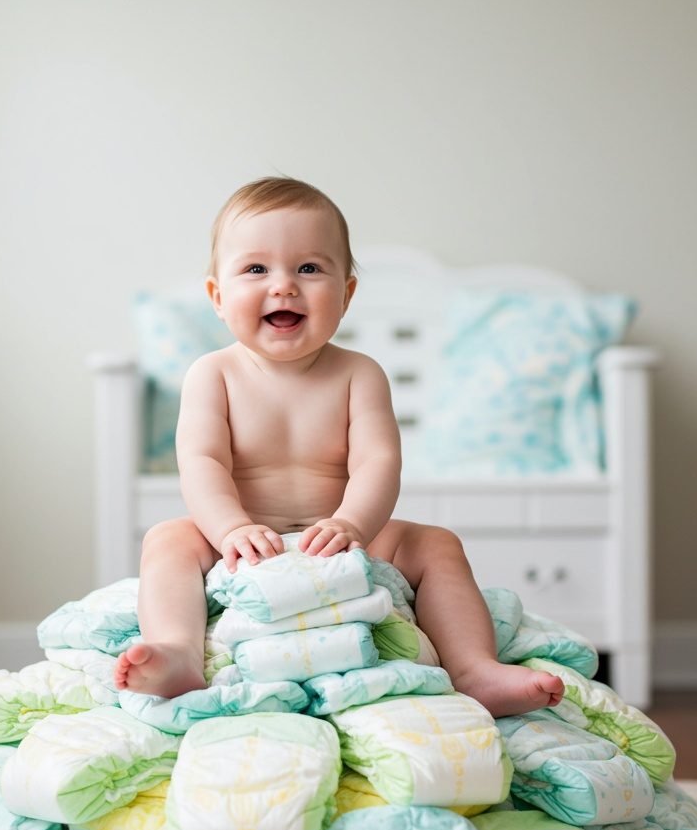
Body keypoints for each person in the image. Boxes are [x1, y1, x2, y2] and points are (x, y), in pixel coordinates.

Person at [113, 177, 564, 717]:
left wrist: (352, 523)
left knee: (436, 543)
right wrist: (230, 529)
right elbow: (202, 461)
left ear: (346, 294)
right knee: (168, 539)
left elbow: (378, 461)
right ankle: (178, 653)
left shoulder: (359, 374)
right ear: (217, 296)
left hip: (342, 540)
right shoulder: (213, 374)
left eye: (309, 268)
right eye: (256, 269)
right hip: (239, 544)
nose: (283, 286)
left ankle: (474, 669)